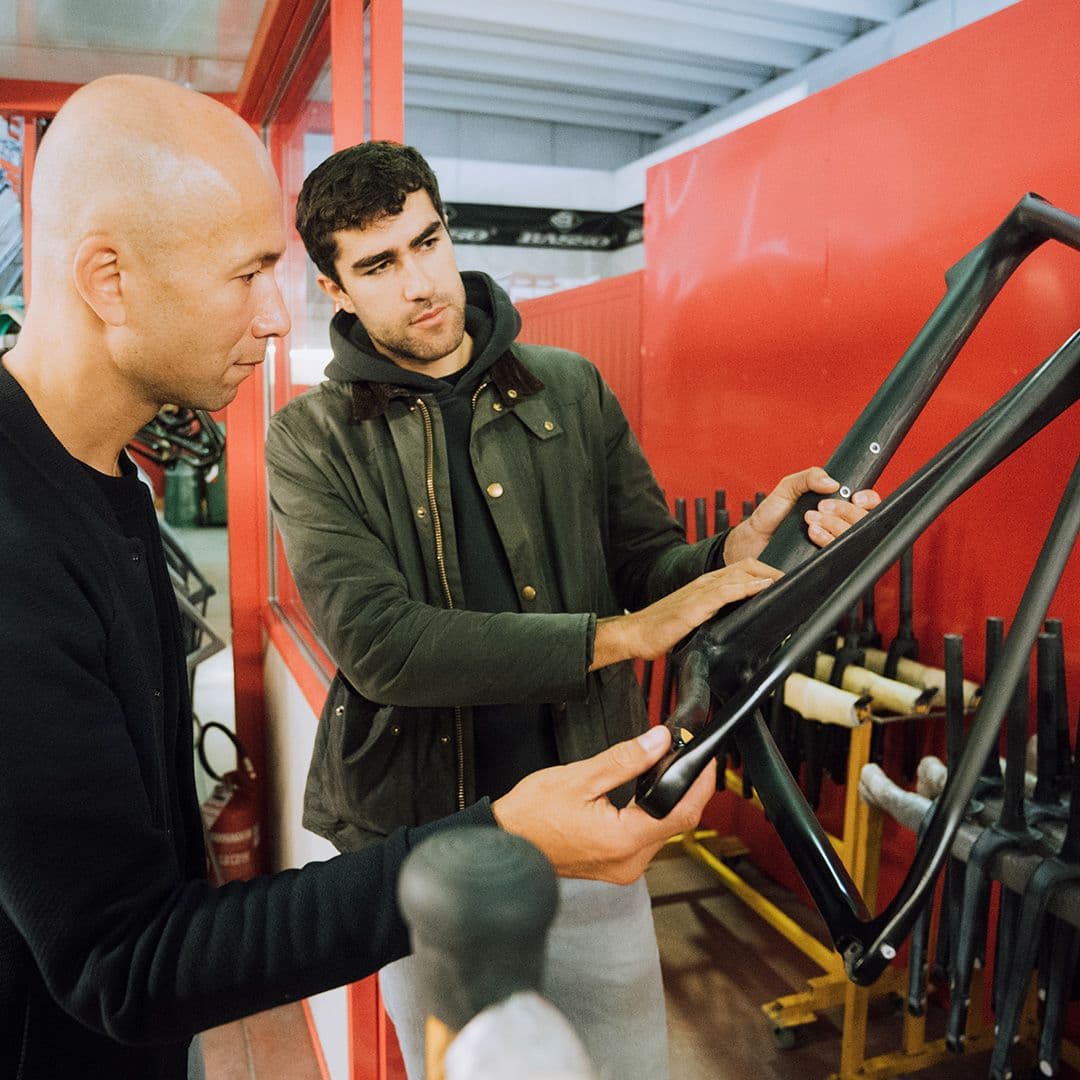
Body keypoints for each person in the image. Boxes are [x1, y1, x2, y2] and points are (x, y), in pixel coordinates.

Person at [0, 76, 722, 1080]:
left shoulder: (110, 485)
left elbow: (135, 917)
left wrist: (732, 567)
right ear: (108, 279)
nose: (269, 319)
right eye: (249, 272)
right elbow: (126, 960)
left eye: (428, 243)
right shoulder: (25, 542)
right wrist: (500, 828)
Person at [268, 141, 881, 1078]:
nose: (421, 281)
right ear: (336, 288)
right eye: (379, 263)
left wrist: (732, 552)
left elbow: (645, 565)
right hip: (431, 848)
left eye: (428, 242)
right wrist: (624, 638)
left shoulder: (573, 389)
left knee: (626, 1063)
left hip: (597, 812)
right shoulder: (310, 441)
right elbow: (379, 645)